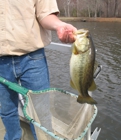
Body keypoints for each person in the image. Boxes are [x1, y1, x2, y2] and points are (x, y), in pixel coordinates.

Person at [0, 0, 77, 140]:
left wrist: (60, 25)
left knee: (40, 112)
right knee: (6, 111)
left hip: (32, 58)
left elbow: (45, 13)